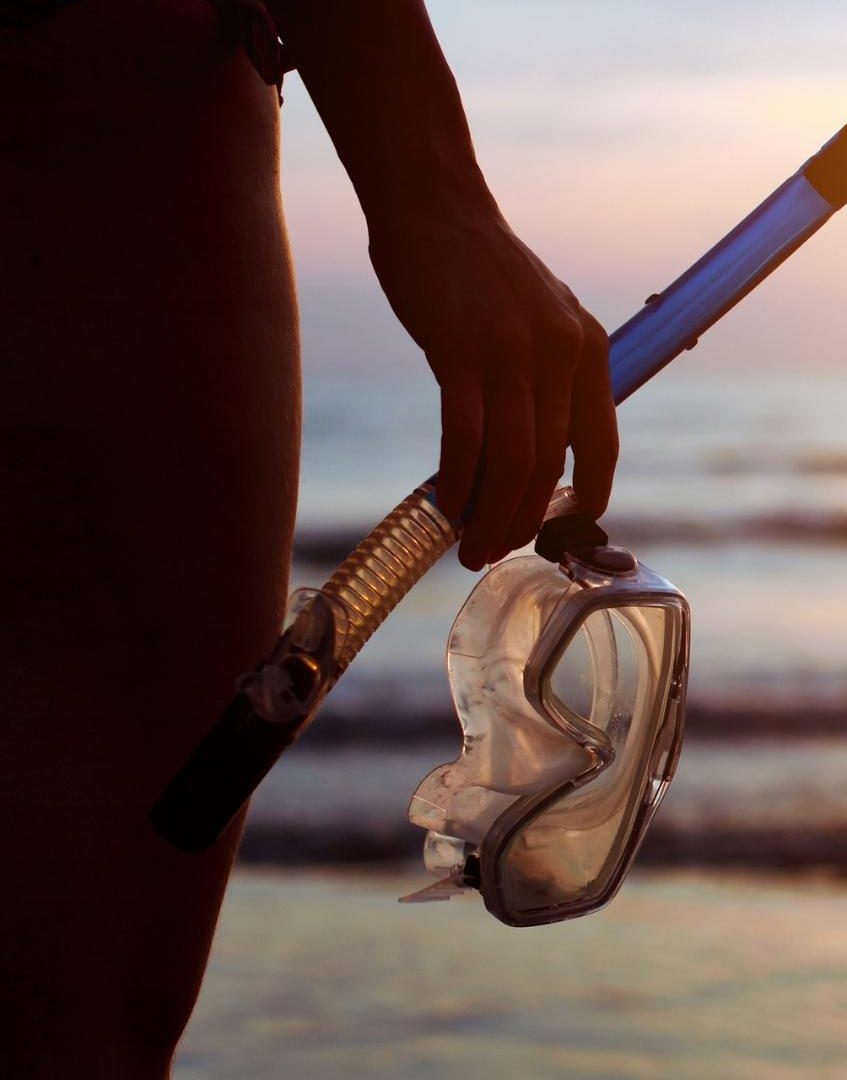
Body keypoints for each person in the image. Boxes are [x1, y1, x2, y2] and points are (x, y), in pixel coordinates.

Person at [0, 1, 618, 1072]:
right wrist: (432, 190)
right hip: (99, 113)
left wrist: (430, 185)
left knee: (80, 1019)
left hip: (105, 96)